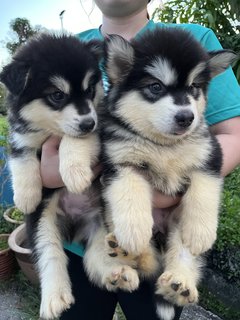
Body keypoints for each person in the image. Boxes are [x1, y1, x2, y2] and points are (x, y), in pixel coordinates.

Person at [40, 1, 240, 319]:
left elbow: (230, 137)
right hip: (85, 238)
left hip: (158, 242)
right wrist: (52, 165)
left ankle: (180, 270)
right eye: (156, 87)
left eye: (193, 89)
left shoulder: (195, 39)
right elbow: (47, 128)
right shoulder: (69, 51)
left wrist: (172, 195)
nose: (184, 109)